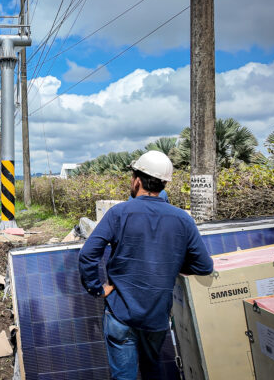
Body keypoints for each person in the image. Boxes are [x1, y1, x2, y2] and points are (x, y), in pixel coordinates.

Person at [78, 151, 213, 379]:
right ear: (163, 183)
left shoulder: (119, 213)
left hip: (120, 314)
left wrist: (97, 288)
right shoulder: (183, 219)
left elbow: (88, 254)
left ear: (137, 180)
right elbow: (204, 266)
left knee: (124, 376)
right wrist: (171, 265)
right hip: (156, 316)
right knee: (152, 370)